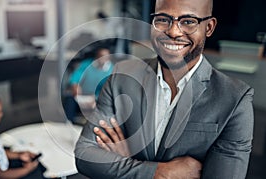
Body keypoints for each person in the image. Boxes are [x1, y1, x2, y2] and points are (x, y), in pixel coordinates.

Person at [74, 0, 254, 178]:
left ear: (209, 27)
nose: (173, 31)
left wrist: (123, 163)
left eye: (189, 21)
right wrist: (159, 173)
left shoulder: (235, 100)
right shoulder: (122, 76)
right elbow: (85, 155)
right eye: (163, 19)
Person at [64, 47, 114, 122]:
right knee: (70, 100)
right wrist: (75, 85)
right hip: (81, 96)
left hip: (96, 98)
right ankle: (68, 123)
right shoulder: (86, 64)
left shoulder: (111, 70)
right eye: (101, 56)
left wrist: (96, 98)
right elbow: (76, 76)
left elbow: (108, 89)